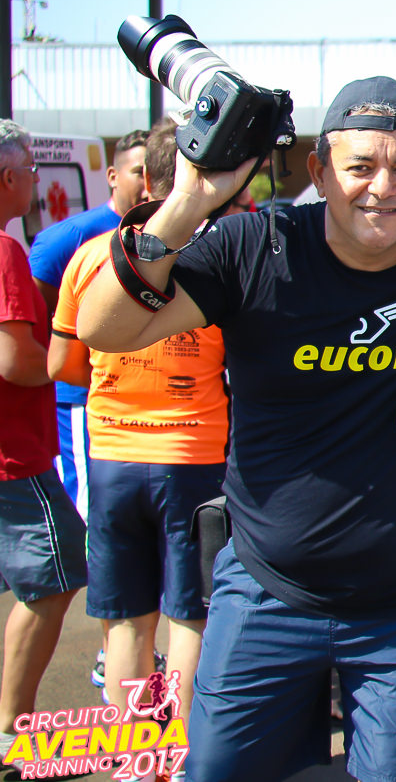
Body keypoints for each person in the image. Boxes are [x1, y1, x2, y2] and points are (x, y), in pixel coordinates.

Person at [76, 76, 396, 782]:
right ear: (319, 170)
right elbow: (105, 327)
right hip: (264, 590)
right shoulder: (256, 246)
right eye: (360, 165)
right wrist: (187, 201)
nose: (382, 187)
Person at [48, 119, 226, 723]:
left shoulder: (91, 256)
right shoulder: (219, 259)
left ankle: (135, 753)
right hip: (195, 457)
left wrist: (120, 374)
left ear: (145, 178)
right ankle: (180, 748)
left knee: (126, 618)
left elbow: (62, 365)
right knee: (190, 615)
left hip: (113, 456)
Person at [0, 120, 87, 763]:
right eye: (31, 170)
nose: (35, 181)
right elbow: (16, 360)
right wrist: (79, 352)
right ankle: (14, 729)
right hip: (15, 455)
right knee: (54, 579)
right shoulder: (4, 251)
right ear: (8, 177)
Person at [28, 128, 148, 515]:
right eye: (138, 171)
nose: (147, 182)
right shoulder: (69, 238)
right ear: (112, 176)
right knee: (88, 506)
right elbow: (36, 319)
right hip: (85, 400)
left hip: (148, 404)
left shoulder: (171, 234)